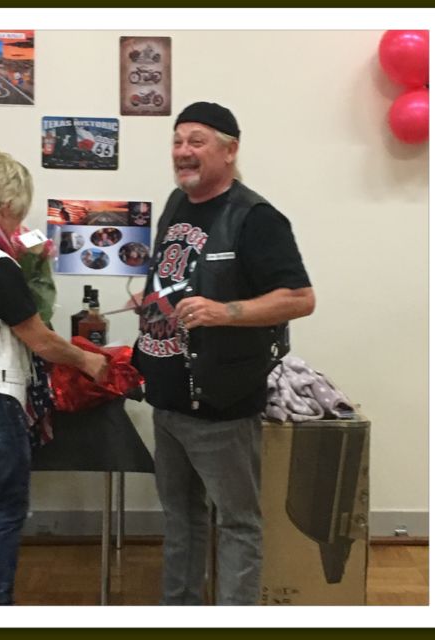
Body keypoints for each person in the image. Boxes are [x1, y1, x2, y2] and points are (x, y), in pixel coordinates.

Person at [132, 102, 315, 605]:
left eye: (197, 141)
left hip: (221, 407)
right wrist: (151, 304)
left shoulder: (256, 218)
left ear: (230, 150)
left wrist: (224, 312)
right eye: (177, 141)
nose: (182, 151)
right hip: (167, 398)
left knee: (237, 523)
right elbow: (175, 278)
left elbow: (300, 299)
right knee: (181, 517)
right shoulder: (177, 202)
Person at [0, 151, 108, 605]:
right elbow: (39, 338)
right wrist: (87, 362)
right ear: (5, 203)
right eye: (16, 214)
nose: (17, 225)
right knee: (1, 514)